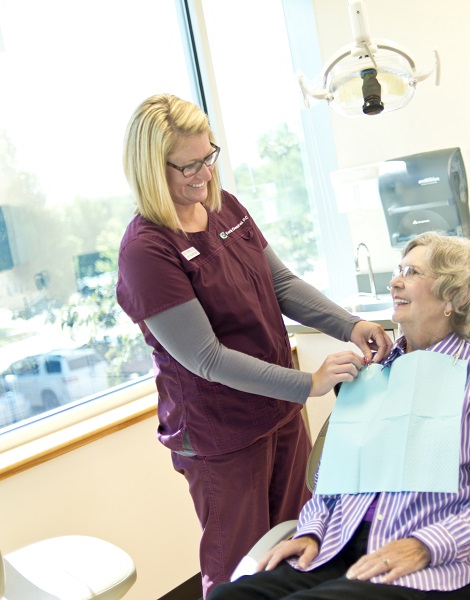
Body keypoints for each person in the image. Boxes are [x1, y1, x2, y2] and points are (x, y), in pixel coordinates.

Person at [115, 93, 393, 597]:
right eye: (188, 166)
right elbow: (206, 357)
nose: (203, 174)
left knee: (298, 543)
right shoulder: (147, 250)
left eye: (209, 156)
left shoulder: (225, 210)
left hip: (279, 414)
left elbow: (281, 285)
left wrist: (348, 325)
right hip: (221, 433)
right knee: (237, 570)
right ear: (152, 168)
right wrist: (308, 382)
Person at [208, 232, 470, 600]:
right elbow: (333, 474)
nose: (395, 280)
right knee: (229, 596)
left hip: (430, 564)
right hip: (338, 546)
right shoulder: (372, 371)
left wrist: (425, 545)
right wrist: (311, 529)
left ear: (455, 298)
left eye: (412, 272)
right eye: (399, 269)